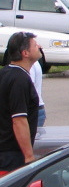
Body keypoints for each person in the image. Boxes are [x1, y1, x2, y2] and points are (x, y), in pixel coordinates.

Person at [0, 32, 41, 171]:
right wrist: (29, 156)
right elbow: (19, 120)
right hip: (12, 155)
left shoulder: (5, 73)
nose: (39, 47)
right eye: (35, 45)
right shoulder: (20, 79)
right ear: (25, 53)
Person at [29, 60, 45, 127]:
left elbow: (29, 87)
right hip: (38, 107)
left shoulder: (30, 65)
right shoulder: (34, 62)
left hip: (32, 109)